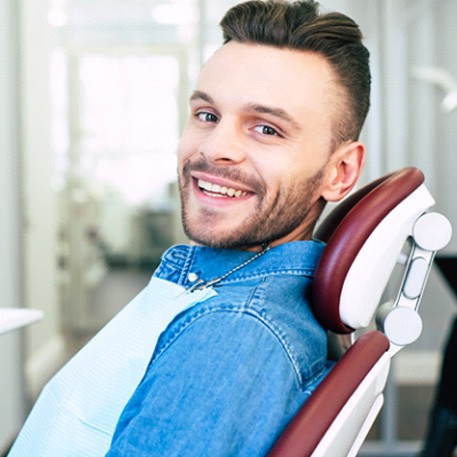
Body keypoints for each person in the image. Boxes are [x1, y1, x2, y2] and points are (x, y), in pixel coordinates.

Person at [9, 0, 370, 455]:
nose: (215, 148)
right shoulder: (220, 287)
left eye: (267, 129)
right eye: (207, 115)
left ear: (339, 172)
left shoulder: (232, 334)